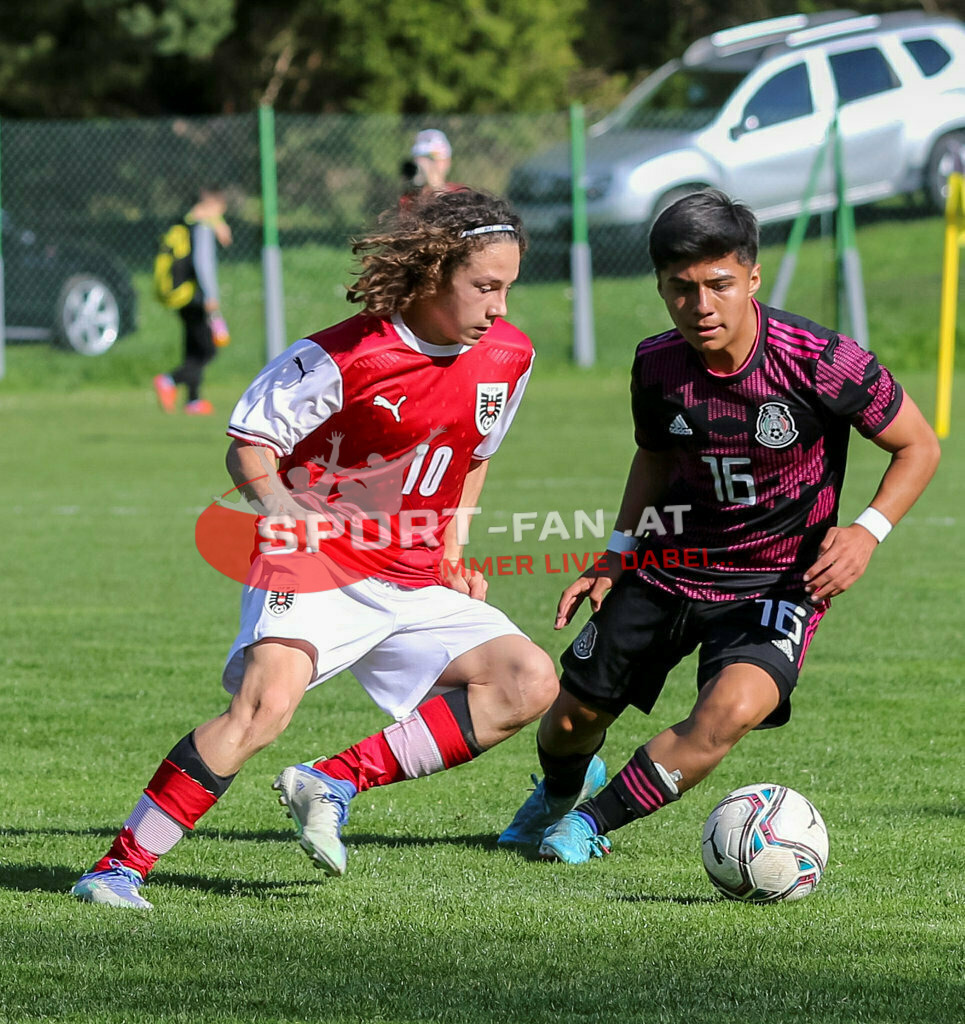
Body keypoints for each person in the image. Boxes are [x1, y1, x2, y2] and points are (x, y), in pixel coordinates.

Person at [71, 188, 594, 910]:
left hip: (410, 572)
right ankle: (116, 869)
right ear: (435, 273)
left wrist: (451, 548)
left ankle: (332, 780)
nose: (500, 306)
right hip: (315, 561)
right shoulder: (344, 354)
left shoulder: (509, 355)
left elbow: (474, 454)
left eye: (508, 287)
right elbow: (249, 446)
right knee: (264, 709)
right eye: (485, 287)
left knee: (526, 681)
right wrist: (284, 509)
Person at [498, 189, 940, 864]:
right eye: (679, 289)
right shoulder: (655, 364)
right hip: (669, 566)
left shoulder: (821, 359)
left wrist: (865, 531)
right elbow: (653, 456)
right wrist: (615, 554)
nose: (699, 306)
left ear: (751, 278)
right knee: (567, 723)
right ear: (659, 287)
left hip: (778, 581)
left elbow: (919, 444)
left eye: (718, 285)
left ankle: (588, 824)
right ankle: (563, 787)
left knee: (730, 711)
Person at [153, 188, 232, 416]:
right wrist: (210, 296)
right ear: (212, 204)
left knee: (192, 350)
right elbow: (203, 262)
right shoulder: (203, 227)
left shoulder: (185, 223)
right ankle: (169, 380)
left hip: (183, 297)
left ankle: (193, 400)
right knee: (208, 351)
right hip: (198, 298)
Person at [400, 128, 461, 203]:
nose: (426, 163)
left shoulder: (461, 193)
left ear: (447, 161)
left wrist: (437, 187)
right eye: (421, 157)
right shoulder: (409, 199)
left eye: (432, 158)